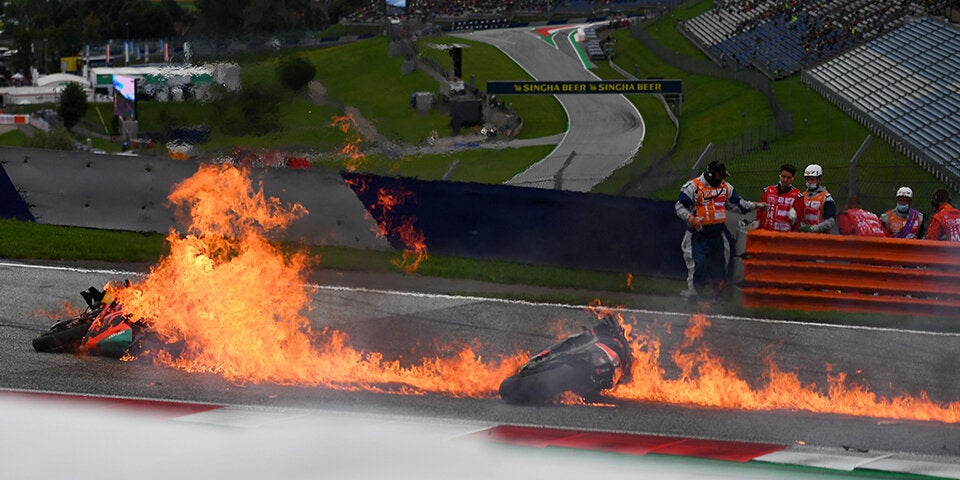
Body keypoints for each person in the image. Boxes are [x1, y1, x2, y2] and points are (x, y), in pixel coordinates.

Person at [675, 160, 766, 299]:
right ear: (711, 174)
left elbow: (738, 204)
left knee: (721, 264)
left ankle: (717, 295)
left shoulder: (726, 187)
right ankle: (694, 294)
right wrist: (691, 219)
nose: (722, 178)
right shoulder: (693, 186)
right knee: (697, 265)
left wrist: (755, 205)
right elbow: (679, 207)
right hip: (697, 235)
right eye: (719, 175)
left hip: (717, 234)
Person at [756, 164, 802, 232]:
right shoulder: (767, 191)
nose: (785, 180)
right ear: (779, 175)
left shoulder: (797, 196)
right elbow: (760, 213)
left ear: (793, 178)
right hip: (766, 233)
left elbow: (798, 220)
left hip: (784, 237)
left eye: (788, 177)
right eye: (783, 176)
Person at [798, 164, 837, 233]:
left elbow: (831, 221)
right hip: (804, 235)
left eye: (813, 179)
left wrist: (812, 229)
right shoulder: (802, 196)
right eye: (807, 179)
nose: (809, 182)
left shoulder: (826, 198)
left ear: (819, 180)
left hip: (820, 237)